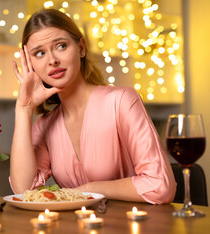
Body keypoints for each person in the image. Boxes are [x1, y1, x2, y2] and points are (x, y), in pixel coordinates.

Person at [10, 9, 176, 204]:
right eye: (39, 53)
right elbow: (23, 191)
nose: (52, 60)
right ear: (31, 64)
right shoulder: (44, 125)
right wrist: (23, 109)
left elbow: (160, 185)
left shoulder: (121, 101)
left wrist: (89, 190)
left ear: (81, 47)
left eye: (61, 46)